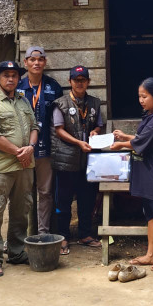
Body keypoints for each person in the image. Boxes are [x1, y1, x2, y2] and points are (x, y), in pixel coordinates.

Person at [112, 78, 153, 272]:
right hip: (149, 173)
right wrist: (126, 137)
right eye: (139, 96)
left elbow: (141, 142)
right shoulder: (151, 115)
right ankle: (151, 254)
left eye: (144, 96)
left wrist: (121, 144)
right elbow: (143, 138)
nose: (141, 100)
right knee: (150, 215)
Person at [0, 60, 39, 277]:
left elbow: (35, 126)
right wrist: (19, 152)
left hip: (25, 166)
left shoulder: (24, 101)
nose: (11, 79)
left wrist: (30, 148)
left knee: (21, 211)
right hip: (1, 168)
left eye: (14, 75)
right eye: (6, 75)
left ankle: (16, 252)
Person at [51, 65, 104, 254]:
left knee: (87, 199)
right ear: (70, 82)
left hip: (88, 160)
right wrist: (78, 143)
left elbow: (99, 125)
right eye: (76, 80)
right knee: (63, 201)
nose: (80, 83)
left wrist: (95, 131)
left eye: (83, 80)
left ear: (88, 82)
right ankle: (63, 236)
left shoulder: (95, 103)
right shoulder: (61, 103)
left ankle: (85, 234)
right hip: (66, 160)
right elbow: (59, 130)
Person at [17, 46, 63, 234]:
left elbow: (61, 118)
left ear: (45, 62)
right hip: (21, 149)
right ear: (25, 62)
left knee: (45, 192)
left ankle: (43, 233)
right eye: (32, 59)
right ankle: (20, 235)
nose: (36, 63)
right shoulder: (17, 87)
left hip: (46, 149)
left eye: (40, 59)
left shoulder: (53, 86)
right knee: (22, 193)